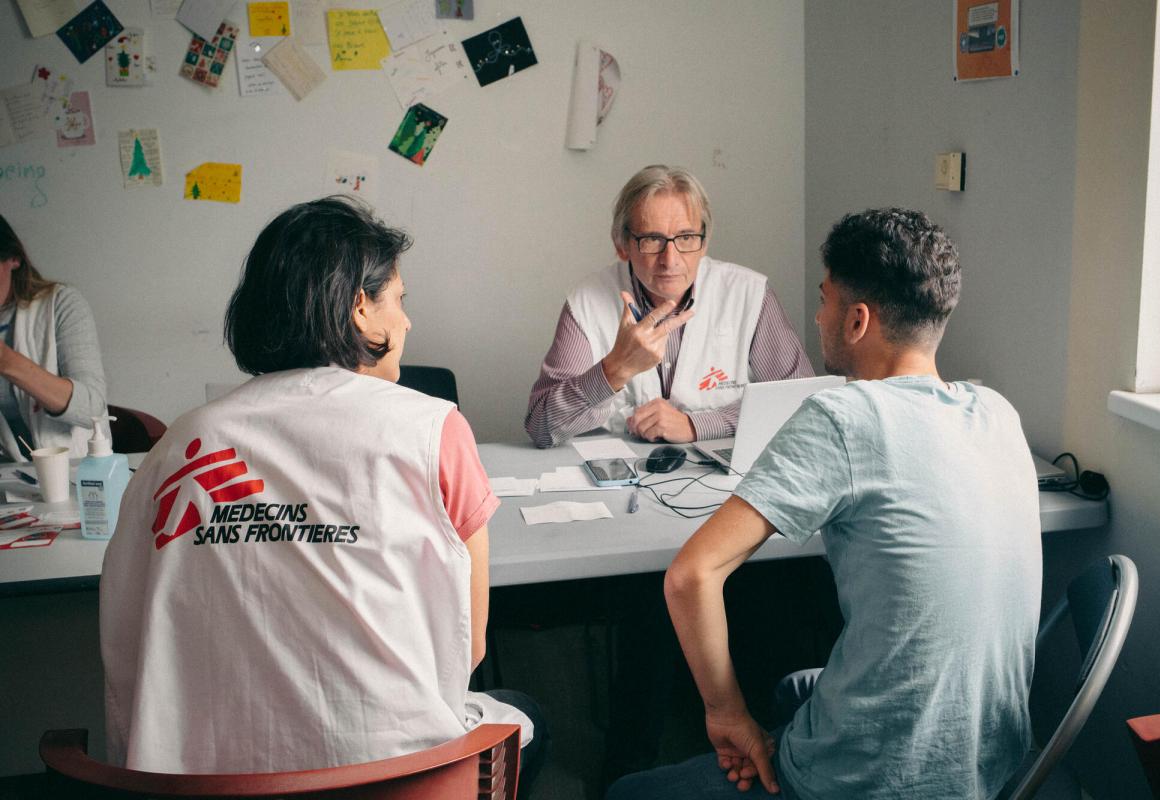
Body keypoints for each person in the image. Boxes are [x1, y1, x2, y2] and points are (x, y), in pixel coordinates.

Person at [99, 197, 546, 797]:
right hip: (394, 778)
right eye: (400, 300)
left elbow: (128, 635)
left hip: (205, 779)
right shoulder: (432, 428)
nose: (408, 322)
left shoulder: (183, 442)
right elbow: (467, 648)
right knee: (522, 712)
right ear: (361, 308)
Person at [608, 208, 1042, 799]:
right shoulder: (997, 412)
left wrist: (728, 717)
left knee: (627, 793)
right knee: (795, 683)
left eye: (824, 299)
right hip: (992, 770)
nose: (817, 316)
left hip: (864, 780)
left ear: (858, 320)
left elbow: (690, 576)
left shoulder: (844, 417)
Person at [525, 165, 813, 447]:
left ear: (704, 242)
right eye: (653, 240)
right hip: (616, 476)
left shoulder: (749, 294)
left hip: (717, 480)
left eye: (686, 238)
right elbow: (541, 426)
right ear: (622, 244)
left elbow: (803, 404)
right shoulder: (586, 302)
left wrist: (696, 425)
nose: (670, 260)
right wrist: (615, 369)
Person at [0, 214, 107, 460]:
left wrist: (7, 361)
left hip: (71, 470)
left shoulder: (62, 304)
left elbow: (92, 408)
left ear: (13, 259)